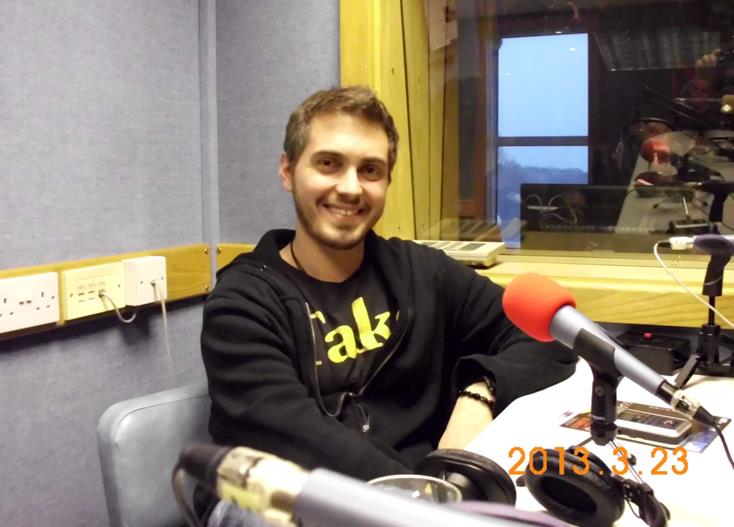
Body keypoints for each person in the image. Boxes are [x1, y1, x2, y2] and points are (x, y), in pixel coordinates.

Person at [195, 85, 577, 524]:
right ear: (288, 171)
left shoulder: (423, 273)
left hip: (427, 493)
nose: (350, 187)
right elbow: (297, 437)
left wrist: (480, 393)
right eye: (328, 163)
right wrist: (427, 503)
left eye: (371, 170)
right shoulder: (242, 303)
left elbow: (544, 337)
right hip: (286, 497)